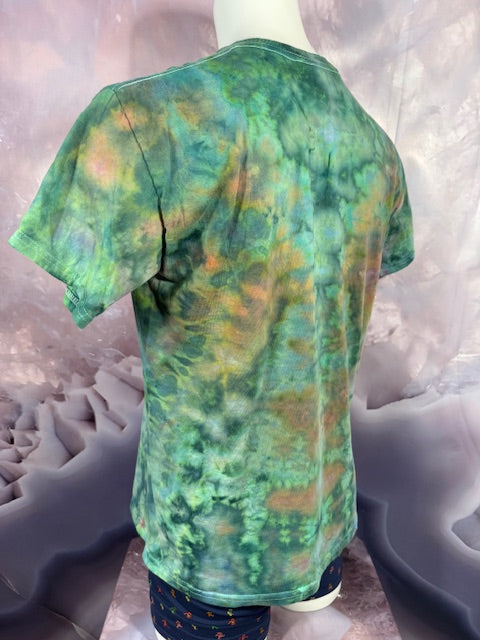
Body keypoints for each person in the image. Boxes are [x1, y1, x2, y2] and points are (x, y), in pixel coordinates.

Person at [8, 1, 414, 638]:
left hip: (210, 535)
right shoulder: (374, 145)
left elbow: (82, 271)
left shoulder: (143, 119)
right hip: (319, 512)